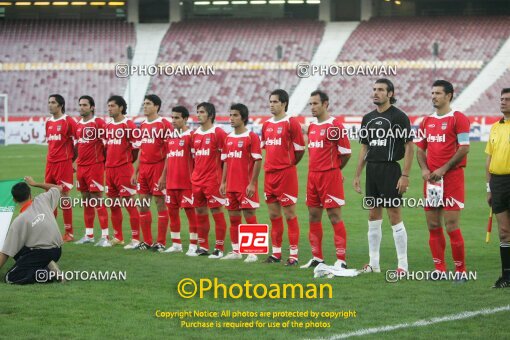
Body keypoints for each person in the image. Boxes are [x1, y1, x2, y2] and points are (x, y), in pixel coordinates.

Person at [353, 78, 414, 274]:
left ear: (390, 94)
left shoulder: (399, 117)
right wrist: (357, 175)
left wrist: (404, 175)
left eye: (380, 90)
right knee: (373, 215)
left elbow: (409, 146)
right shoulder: (367, 118)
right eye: (374, 89)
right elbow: (364, 147)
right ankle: (374, 264)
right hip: (372, 170)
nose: (376, 92)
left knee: (394, 215)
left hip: (391, 170)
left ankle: (403, 266)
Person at [415, 80, 470, 279]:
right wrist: (424, 170)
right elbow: (420, 149)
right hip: (432, 181)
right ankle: (440, 269)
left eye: (438, 93)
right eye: (432, 93)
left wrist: (444, 168)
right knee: (433, 225)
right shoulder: (426, 121)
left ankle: (461, 271)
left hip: (452, 179)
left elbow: (464, 147)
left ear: (449, 95)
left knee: (451, 226)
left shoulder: (458, 118)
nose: (434, 96)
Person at [301, 90, 351, 270]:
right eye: (310, 104)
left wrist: (336, 170)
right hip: (312, 177)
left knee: (334, 216)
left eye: (315, 103)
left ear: (325, 104)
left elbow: (346, 154)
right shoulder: (313, 127)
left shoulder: (335, 126)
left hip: (329, 176)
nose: (312, 107)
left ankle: (341, 260)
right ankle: (317, 258)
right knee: (313, 216)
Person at [261, 89, 305, 266]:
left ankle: (293, 255)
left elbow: (300, 150)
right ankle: (276, 253)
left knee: (289, 214)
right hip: (269, 175)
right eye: (270, 101)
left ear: (284, 103)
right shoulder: (266, 125)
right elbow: (267, 149)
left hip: (286, 175)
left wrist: (289, 164)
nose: (271, 104)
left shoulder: (291, 123)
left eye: (275, 102)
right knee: (273, 215)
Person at [0, 177, 63, 284]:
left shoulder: (19, 221)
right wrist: (35, 183)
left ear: (14, 200)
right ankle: (47, 264)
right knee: (17, 247)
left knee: (10, 277)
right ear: (30, 194)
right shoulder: (43, 199)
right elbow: (58, 188)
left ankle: (48, 273)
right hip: (57, 250)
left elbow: (5, 252)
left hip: (42, 252)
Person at [219, 103, 261, 262]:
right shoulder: (228, 138)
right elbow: (226, 162)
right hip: (231, 185)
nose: (231, 118)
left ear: (243, 118)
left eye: (235, 115)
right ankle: (236, 251)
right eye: (230, 115)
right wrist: (223, 182)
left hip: (246, 185)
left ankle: (253, 252)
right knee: (233, 218)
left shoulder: (252, 137)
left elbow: (258, 161)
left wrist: (252, 183)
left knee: (249, 216)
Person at [131, 95, 172, 252]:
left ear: (156, 106)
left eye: (148, 104)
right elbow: (141, 149)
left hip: (158, 167)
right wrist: (135, 171)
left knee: (160, 203)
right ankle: (147, 241)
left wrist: (163, 175)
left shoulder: (164, 124)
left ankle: (160, 242)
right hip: (144, 169)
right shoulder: (142, 125)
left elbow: (169, 152)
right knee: (142, 204)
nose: (145, 106)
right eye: (144, 103)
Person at [158, 106, 199, 256]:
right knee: (172, 214)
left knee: (191, 214)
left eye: (177, 118)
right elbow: (169, 158)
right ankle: (176, 244)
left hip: (187, 184)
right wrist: (163, 176)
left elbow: (197, 160)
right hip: (171, 183)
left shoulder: (192, 136)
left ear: (185, 119)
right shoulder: (171, 137)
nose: (173, 121)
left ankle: (193, 246)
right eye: (172, 117)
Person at [191, 102, 228, 258]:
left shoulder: (218, 133)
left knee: (216, 211)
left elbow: (225, 159)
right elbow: (194, 158)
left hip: (213, 181)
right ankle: (203, 246)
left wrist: (223, 180)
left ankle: (219, 248)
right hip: (197, 180)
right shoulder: (195, 134)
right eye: (197, 111)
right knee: (200, 212)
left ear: (210, 115)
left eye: (202, 112)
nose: (198, 114)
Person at [103, 95, 141, 248]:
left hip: (124, 170)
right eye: (109, 106)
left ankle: (136, 239)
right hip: (110, 170)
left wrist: (129, 167)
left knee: (130, 204)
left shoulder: (129, 125)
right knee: (113, 205)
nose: (109, 108)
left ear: (120, 107)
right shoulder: (109, 126)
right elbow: (107, 149)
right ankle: (118, 236)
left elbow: (137, 150)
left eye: (112, 106)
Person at [74, 95, 110, 246]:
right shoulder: (78, 124)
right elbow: (78, 145)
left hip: (94, 166)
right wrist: (75, 162)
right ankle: (89, 235)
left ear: (92, 107)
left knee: (97, 198)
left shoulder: (98, 123)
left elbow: (107, 143)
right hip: (81, 167)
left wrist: (103, 161)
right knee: (85, 199)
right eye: (80, 105)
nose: (82, 107)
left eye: (85, 105)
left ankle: (105, 237)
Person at [485, 88, 510, 288]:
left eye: (508, 100)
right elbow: (489, 159)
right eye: (502, 99)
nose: (503, 102)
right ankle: (506, 277)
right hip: (498, 183)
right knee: (503, 231)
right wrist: (489, 187)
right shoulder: (495, 127)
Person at [45, 94, 76, 242]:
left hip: (64, 163)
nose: (50, 105)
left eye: (53, 102)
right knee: (50, 197)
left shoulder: (68, 121)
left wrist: (74, 161)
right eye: (49, 102)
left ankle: (69, 232)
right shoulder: (48, 122)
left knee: (64, 195)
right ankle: (51, 231)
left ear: (60, 105)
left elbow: (79, 142)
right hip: (50, 163)